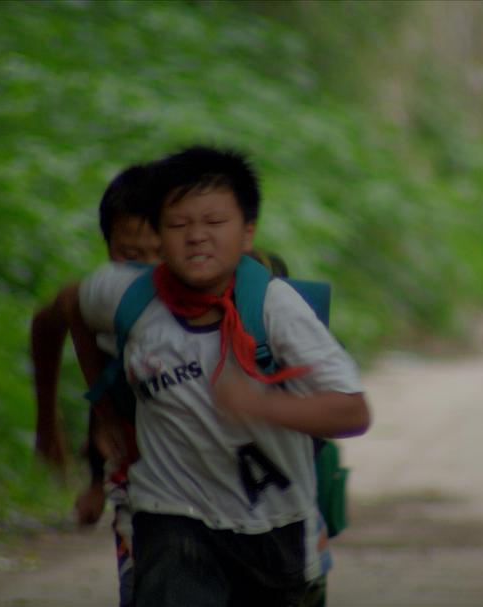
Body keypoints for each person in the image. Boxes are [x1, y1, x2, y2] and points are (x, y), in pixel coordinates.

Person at [63, 145, 370, 606]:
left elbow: (352, 411)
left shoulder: (276, 309)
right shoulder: (127, 295)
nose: (196, 237)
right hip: (171, 514)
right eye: (178, 225)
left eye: (214, 222)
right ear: (159, 235)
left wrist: (260, 405)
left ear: (247, 233)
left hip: (276, 526)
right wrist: (104, 409)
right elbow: (68, 307)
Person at [30, 162, 162, 607]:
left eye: (158, 253)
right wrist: (47, 424)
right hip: (134, 468)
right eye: (130, 254)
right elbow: (53, 315)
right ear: (108, 247)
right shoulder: (105, 294)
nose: (145, 268)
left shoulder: (204, 289)